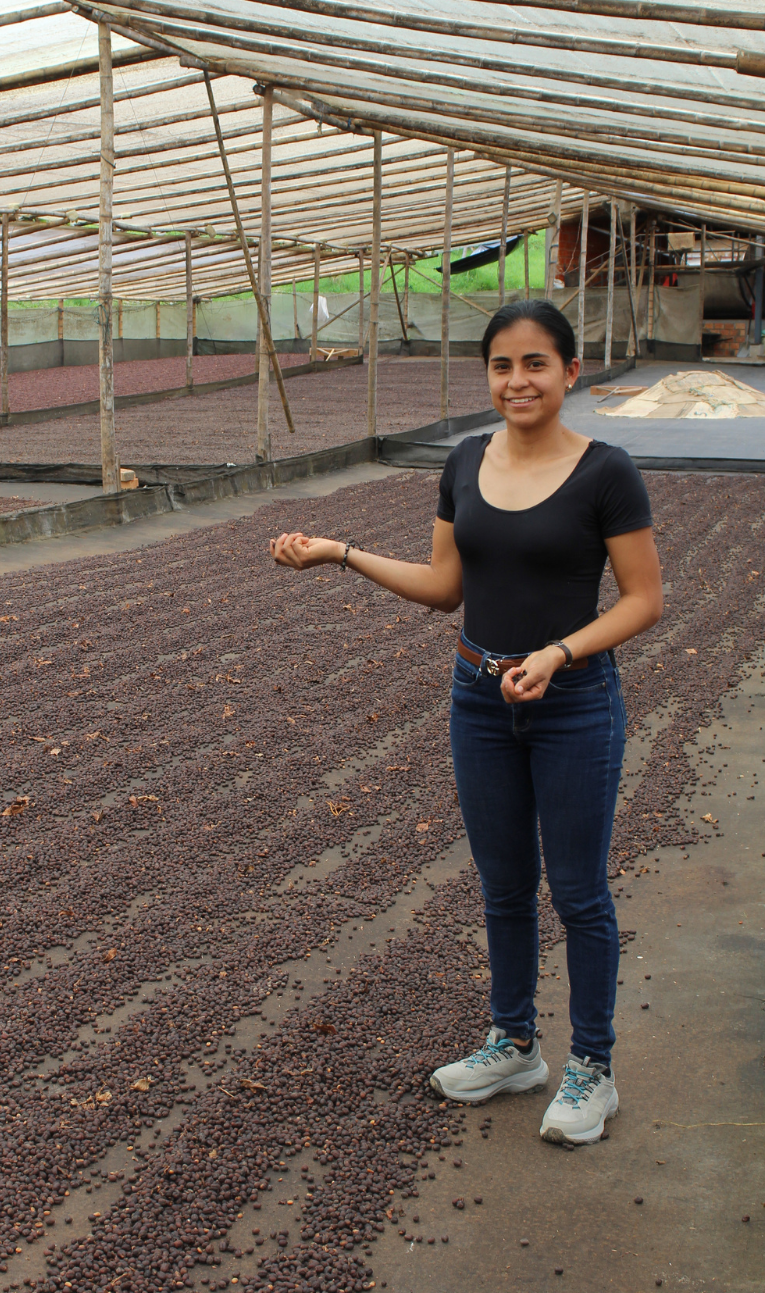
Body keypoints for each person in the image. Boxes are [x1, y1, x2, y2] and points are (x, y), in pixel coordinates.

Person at [268, 299, 662, 1145]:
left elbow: (643, 600)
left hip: (573, 704)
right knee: (505, 886)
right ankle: (514, 1043)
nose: (516, 381)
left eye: (534, 364)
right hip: (479, 699)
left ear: (568, 373)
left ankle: (592, 1067)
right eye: (500, 366)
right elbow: (446, 586)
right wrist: (339, 553)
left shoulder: (607, 472)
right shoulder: (466, 460)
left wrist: (559, 653)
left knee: (581, 893)